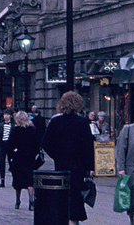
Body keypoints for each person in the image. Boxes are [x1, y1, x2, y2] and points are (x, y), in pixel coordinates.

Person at [42, 91, 94, 225]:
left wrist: (57, 156)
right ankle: (73, 222)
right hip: (78, 167)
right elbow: (88, 146)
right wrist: (90, 167)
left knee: (62, 197)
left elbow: (46, 143)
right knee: (75, 198)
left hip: (61, 166)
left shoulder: (56, 121)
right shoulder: (82, 122)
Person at [7, 110, 41, 210]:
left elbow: (10, 145)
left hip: (18, 158)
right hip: (29, 158)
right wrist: (33, 154)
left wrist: (12, 154)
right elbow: (37, 144)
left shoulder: (15, 130)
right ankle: (31, 201)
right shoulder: (32, 130)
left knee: (18, 181)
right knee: (30, 181)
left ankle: (18, 201)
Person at [0, 109, 14, 187]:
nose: (6, 116)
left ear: (11, 116)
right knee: (2, 163)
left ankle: (13, 180)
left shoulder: (13, 126)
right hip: (2, 145)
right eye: (5, 114)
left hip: (11, 146)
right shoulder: (0, 125)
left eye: (7, 115)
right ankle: (2, 180)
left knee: (12, 163)